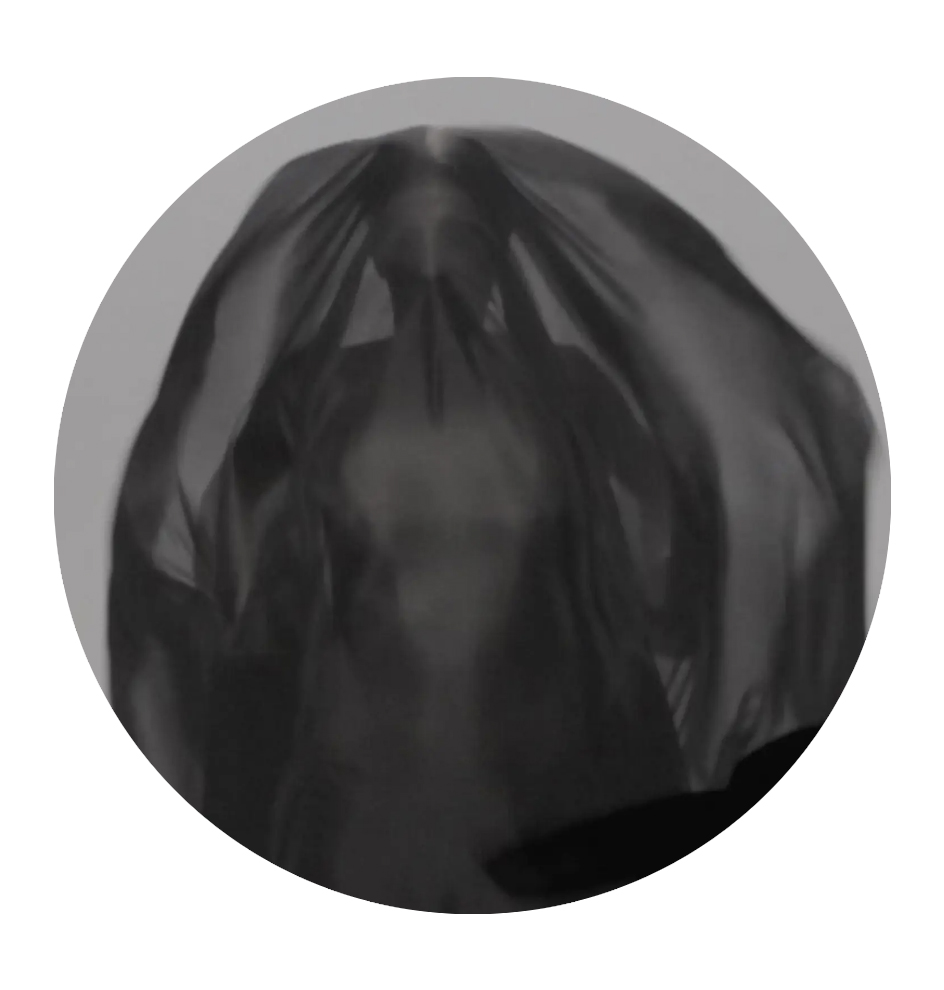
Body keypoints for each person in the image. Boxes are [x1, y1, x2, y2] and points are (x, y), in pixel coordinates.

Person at [108, 126, 873, 912]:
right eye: (410, 239)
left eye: (462, 238)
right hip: (363, 767)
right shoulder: (314, 389)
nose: (435, 266)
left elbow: (673, 546)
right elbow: (241, 575)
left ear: (500, 248)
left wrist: (696, 601)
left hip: (546, 765)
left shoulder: (566, 389)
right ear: (376, 253)